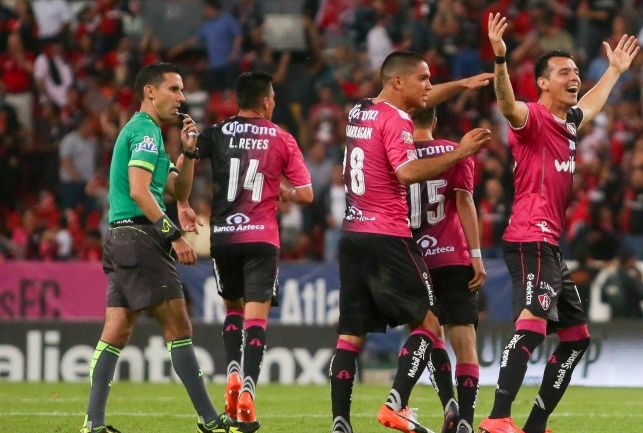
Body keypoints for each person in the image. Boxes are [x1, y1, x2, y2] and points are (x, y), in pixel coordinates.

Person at [478, 14, 639, 433]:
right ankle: (497, 418)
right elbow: (507, 104)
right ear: (543, 83)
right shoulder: (531, 119)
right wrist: (500, 60)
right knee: (531, 325)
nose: (575, 77)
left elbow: (593, 103)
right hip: (529, 237)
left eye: (577, 71)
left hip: (550, 245)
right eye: (564, 72)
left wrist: (614, 72)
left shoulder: (567, 124)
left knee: (577, 338)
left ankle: (535, 424)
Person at [78, 62, 256, 433]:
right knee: (178, 325)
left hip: (122, 239)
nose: (182, 98)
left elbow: (178, 191)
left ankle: (92, 424)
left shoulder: (152, 136)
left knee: (116, 331)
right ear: (150, 92)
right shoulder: (144, 131)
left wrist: (189, 153)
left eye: (182, 90)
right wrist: (173, 234)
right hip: (141, 237)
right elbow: (141, 192)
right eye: (174, 89)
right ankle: (209, 419)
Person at [329, 50, 493, 433]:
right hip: (388, 235)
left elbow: (421, 101)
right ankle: (396, 404)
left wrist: (459, 86)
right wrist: (460, 152)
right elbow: (406, 172)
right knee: (429, 324)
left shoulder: (360, 110)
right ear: (397, 81)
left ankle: (340, 423)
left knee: (350, 335)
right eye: (423, 78)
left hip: (352, 234)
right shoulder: (398, 120)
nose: (428, 86)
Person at [195, 71, 313, 424]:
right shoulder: (281, 137)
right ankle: (247, 388)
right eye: (273, 97)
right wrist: (286, 192)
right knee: (257, 316)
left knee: (232, 307)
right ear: (265, 101)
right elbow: (306, 193)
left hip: (224, 237)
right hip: (261, 237)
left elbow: (189, 154)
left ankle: (231, 370)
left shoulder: (216, 133)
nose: (274, 102)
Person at [408, 106, 486, 433]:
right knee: (465, 341)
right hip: (453, 256)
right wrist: (477, 255)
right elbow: (464, 200)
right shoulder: (456, 151)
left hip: (413, 260)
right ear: (435, 121)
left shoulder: (395, 155)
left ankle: (448, 404)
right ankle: (466, 420)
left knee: (429, 335)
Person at [599, 249, 643, 320]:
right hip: (633, 317)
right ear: (630, 261)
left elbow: (603, 298)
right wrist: (640, 279)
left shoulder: (610, 277)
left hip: (615, 318)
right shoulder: (633, 276)